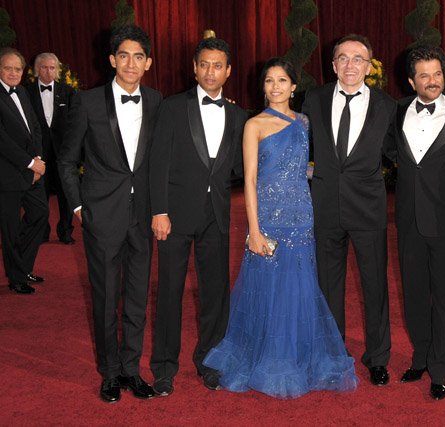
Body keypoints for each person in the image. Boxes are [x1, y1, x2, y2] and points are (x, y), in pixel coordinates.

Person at [203, 57, 359, 399]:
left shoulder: (303, 122)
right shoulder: (254, 124)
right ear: (263, 87)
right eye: (269, 81)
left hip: (301, 215)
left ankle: (298, 355)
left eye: (282, 80)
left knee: (300, 287)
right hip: (269, 219)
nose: (275, 86)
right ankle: (268, 357)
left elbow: (300, 167)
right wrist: (254, 230)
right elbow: (250, 180)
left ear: (293, 86)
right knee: (268, 287)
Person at [58, 25, 162, 403]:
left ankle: (132, 369)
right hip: (101, 214)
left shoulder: (157, 100)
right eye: (123, 56)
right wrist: (78, 206)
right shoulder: (86, 102)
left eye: (138, 57)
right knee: (105, 299)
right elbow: (66, 160)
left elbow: (161, 160)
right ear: (112, 60)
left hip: (144, 215)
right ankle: (110, 372)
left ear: (148, 63)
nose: (131, 63)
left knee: (137, 298)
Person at [149, 37, 247, 397]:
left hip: (217, 216)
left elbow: (241, 167)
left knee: (215, 296)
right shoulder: (173, 107)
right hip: (174, 216)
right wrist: (159, 210)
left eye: (218, 65)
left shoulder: (238, 115)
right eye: (204, 64)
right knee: (169, 293)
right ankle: (164, 368)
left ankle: (210, 362)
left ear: (228, 71)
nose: (210, 71)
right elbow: (158, 162)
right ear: (194, 68)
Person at [302, 34, 396, 386]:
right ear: (333, 65)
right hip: (325, 205)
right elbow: (297, 143)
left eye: (358, 59)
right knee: (328, 286)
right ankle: (332, 353)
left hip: (368, 208)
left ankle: (378, 357)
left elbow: (400, 152)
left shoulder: (387, 105)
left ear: (369, 67)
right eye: (343, 58)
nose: (350, 64)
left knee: (375, 286)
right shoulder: (314, 98)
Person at [384, 46, 445, 400]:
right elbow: (389, 147)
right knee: (414, 293)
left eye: (437, 73)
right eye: (424, 75)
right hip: (408, 218)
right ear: (412, 81)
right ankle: (420, 356)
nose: (432, 81)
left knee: (444, 296)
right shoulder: (395, 111)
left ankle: (440, 368)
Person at [0, 47, 48, 295]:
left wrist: (37, 159)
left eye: (17, 69)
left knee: (40, 214)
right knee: (9, 229)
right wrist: (30, 163)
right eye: (8, 68)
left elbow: (35, 128)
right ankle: (17, 277)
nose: (13, 73)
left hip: (31, 170)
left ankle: (23, 267)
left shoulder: (22, 92)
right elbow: (2, 140)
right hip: (7, 174)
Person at [26, 53, 75, 245]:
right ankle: (41, 232)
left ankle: (66, 232)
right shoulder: (26, 92)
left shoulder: (68, 91)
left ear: (57, 70)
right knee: (39, 193)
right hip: (38, 152)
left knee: (66, 194)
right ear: (37, 69)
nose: (49, 71)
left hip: (63, 152)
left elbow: (75, 122)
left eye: (52, 68)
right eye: (45, 67)